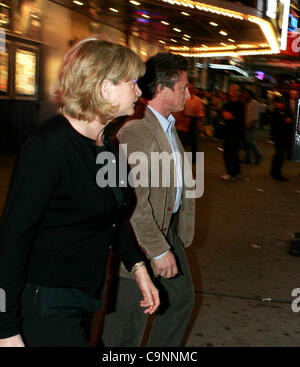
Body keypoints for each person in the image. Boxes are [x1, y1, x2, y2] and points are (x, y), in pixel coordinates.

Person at [0, 36, 159, 347]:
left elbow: (112, 217)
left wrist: (138, 266)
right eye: (133, 82)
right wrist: (5, 328)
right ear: (105, 88)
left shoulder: (105, 144)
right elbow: (12, 238)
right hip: (46, 301)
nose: (139, 92)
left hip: (84, 296)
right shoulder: (48, 147)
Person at [101, 52, 195, 347]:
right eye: (183, 88)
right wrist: (156, 250)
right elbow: (134, 201)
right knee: (128, 324)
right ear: (163, 90)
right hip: (141, 240)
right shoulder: (137, 131)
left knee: (180, 301)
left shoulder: (167, 126)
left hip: (170, 230)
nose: (189, 94)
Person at [220, 84, 244, 180]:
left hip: (236, 132)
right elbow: (224, 114)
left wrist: (230, 115)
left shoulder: (240, 104)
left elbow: (237, 117)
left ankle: (232, 172)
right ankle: (233, 171)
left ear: (238, 92)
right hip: (227, 131)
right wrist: (228, 115)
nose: (232, 91)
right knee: (227, 152)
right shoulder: (227, 103)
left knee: (232, 152)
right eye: (230, 89)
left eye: (234, 89)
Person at [270, 96, 293, 181]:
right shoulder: (275, 112)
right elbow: (275, 126)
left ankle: (274, 172)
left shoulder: (286, 110)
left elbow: (291, 121)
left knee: (279, 155)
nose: (281, 104)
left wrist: (289, 120)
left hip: (285, 137)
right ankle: (276, 173)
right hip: (279, 137)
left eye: (283, 103)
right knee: (279, 155)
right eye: (279, 103)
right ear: (276, 104)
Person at [242, 89, 262, 165]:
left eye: (246, 94)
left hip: (252, 125)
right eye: (244, 94)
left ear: (250, 94)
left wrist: (251, 124)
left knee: (251, 142)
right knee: (248, 143)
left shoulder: (254, 102)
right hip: (246, 125)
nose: (245, 95)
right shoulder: (246, 102)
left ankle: (258, 155)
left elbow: (255, 116)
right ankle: (248, 159)